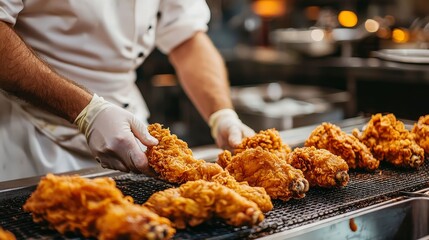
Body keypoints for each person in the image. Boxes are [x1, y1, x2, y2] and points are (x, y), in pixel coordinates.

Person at [0, 1, 255, 182]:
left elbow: (187, 37)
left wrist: (221, 114)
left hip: (133, 133)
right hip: (34, 137)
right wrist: (87, 112)